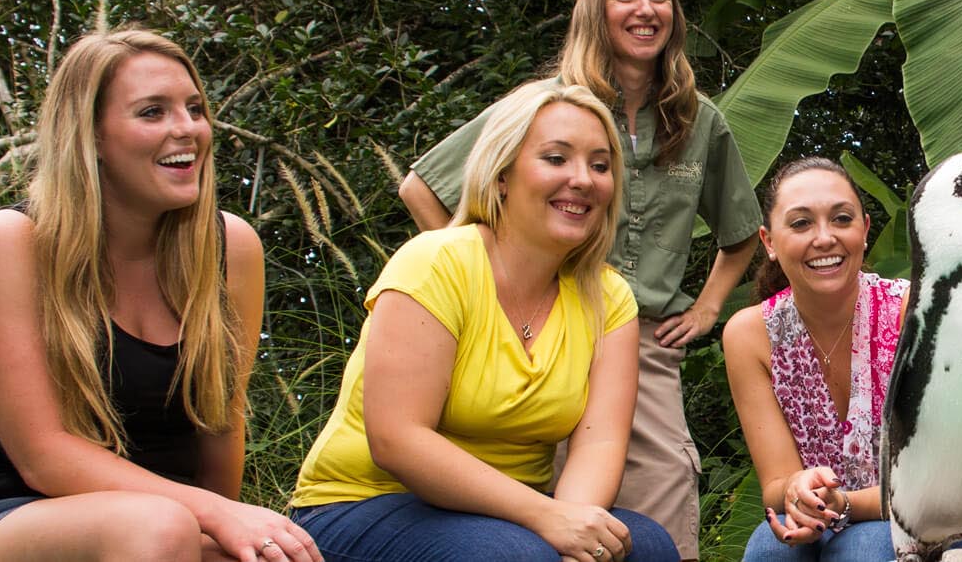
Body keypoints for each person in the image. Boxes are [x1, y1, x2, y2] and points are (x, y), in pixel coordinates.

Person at [398, 0, 761, 560]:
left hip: (642, 342)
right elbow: (422, 188)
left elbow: (743, 230)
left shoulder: (698, 119)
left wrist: (706, 309)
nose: (645, 9)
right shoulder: (548, 107)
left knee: (662, 508)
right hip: (540, 330)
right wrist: (482, 285)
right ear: (595, 8)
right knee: (527, 513)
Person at [0, 29, 316, 562]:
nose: (187, 128)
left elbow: (219, 431)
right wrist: (215, 513)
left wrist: (232, 531)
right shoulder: (14, 241)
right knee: (157, 525)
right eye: (152, 112)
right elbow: (42, 455)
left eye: (195, 108)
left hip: (170, 529)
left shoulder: (230, 248)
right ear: (93, 137)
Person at [289, 79, 678, 562]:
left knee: (647, 546)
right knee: (513, 557)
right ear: (501, 175)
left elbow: (599, 445)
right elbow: (397, 440)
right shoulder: (436, 263)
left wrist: (574, 533)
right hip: (367, 501)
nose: (583, 179)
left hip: (514, 516)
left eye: (600, 166)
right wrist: (546, 517)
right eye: (556, 158)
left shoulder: (608, 296)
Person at [722, 158, 907, 562]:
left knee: (863, 551)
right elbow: (776, 482)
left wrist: (845, 503)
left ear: (864, 230)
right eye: (801, 223)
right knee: (771, 549)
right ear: (769, 242)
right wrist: (797, 489)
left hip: (912, 513)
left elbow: (946, 481)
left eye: (841, 219)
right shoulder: (750, 334)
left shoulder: (911, 309)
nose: (824, 238)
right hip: (820, 515)